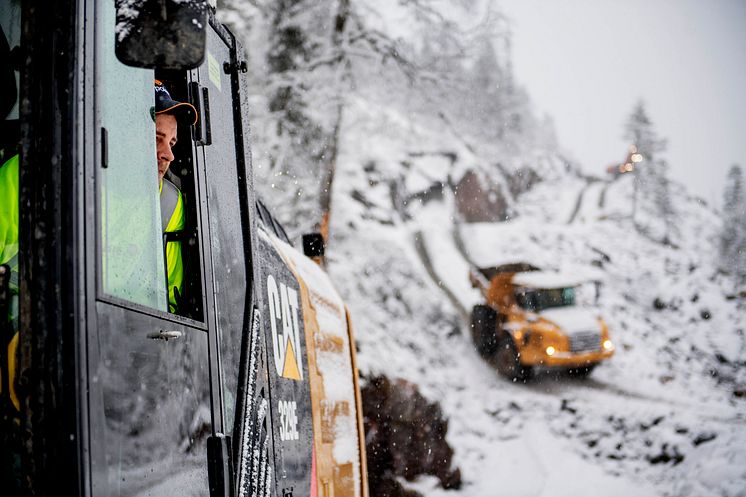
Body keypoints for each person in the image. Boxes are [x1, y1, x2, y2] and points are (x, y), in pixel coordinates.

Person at [153, 80, 197, 314]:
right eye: (157, 137)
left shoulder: (169, 203)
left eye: (171, 142)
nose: (169, 154)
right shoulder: (66, 183)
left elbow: (169, 301)